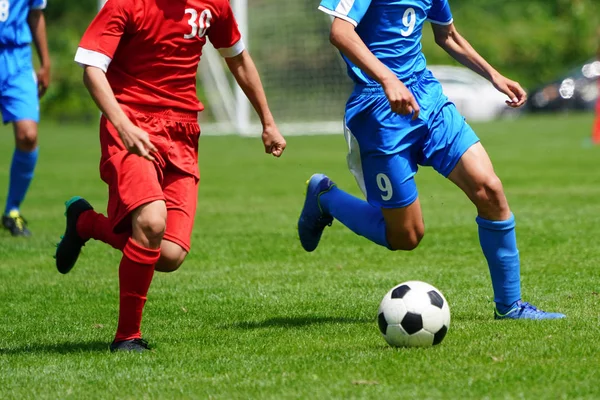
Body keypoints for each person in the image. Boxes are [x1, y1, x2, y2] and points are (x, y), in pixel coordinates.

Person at [298, 0, 565, 320]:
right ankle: (326, 197)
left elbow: (447, 35)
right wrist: (388, 79)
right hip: (379, 110)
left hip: (428, 98)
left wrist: (494, 76)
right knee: (406, 237)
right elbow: (340, 32)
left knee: (490, 189)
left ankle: (510, 306)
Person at [55, 0, 286, 352]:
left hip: (182, 134)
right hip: (131, 127)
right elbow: (92, 68)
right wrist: (122, 124)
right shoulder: (127, 4)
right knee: (150, 222)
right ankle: (127, 338)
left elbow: (237, 58)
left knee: (170, 255)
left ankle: (85, 223)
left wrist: (267, 121)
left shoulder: (214, 6)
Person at [0, 0, 50, 236]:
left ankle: (12, 211)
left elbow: (36, 14)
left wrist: (45, 62)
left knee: (28, 135)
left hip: (17, 58)